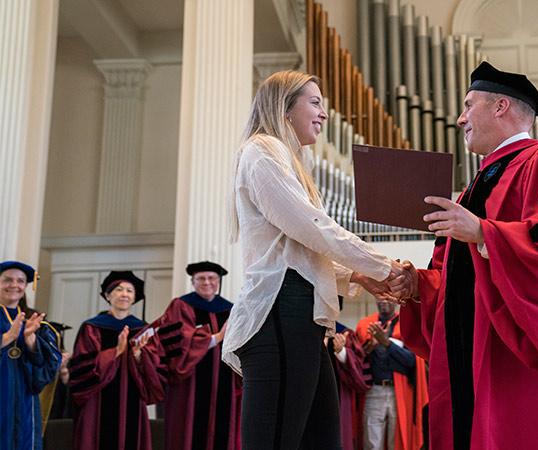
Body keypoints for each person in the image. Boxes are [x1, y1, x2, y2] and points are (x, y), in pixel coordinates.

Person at [388, 61, 538, 450]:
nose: (460, 119)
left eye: (467, 105)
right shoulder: (471, 189)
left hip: (519, 363)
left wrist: (483, 232)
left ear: (500, 107)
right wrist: (415, 285)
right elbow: (455, 285)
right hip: (473, 359)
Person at [223, 69, 403, 449]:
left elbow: (302, 248)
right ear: (285, 108)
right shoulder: (262, 151)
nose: (323, 113)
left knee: (321, 437)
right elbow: (312, 228)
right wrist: (382, 266)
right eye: (316, 102)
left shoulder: (289, 160)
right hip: (279, 309)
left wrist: (358, 274)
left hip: (303, 312)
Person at [68, 271, 165, 450]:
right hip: (97, 400)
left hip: (132, 398)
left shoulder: (143, 329)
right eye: (119, 289)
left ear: (134, 297)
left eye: (129, 291)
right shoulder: (91, 327)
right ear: (108, 295)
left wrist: (138, 355)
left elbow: (156, 370)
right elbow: (81, 368)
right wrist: (116, 352)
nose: (124, 294)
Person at [151, 260, 242, 450]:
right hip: (189, 384)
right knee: (189, 432)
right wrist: (216, 338)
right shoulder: (181, 306)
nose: (207, 282)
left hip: (225, 382)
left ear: (219, 282)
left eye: (212, 278)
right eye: (201, 278)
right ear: (193, 282)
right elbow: (178, 343)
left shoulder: (231, 309)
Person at [0, 260, 61, 450]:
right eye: (7, 280)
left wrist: (30, 340)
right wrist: (7, 338)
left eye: (20, 281)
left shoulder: (34, 320)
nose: (14, 285)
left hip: (24, 398)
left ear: (26, 286)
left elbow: (50, 364)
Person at [355, 301, 428, 450]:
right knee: (372, 442)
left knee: (397, 440)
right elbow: (357, 361)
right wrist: (371, 346)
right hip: (374, 390)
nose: (384, 301)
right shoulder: (365, 325)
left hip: (400, 392)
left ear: (395, 301)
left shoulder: (407, 325)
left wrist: (387, 343)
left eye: (388, 297)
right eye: (380, 296)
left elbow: (413, 361)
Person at [328, 322, 370, 450]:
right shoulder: (304, 331)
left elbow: (359, 373)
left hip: (337, 397)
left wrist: (341, 352)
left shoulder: (344, 334)